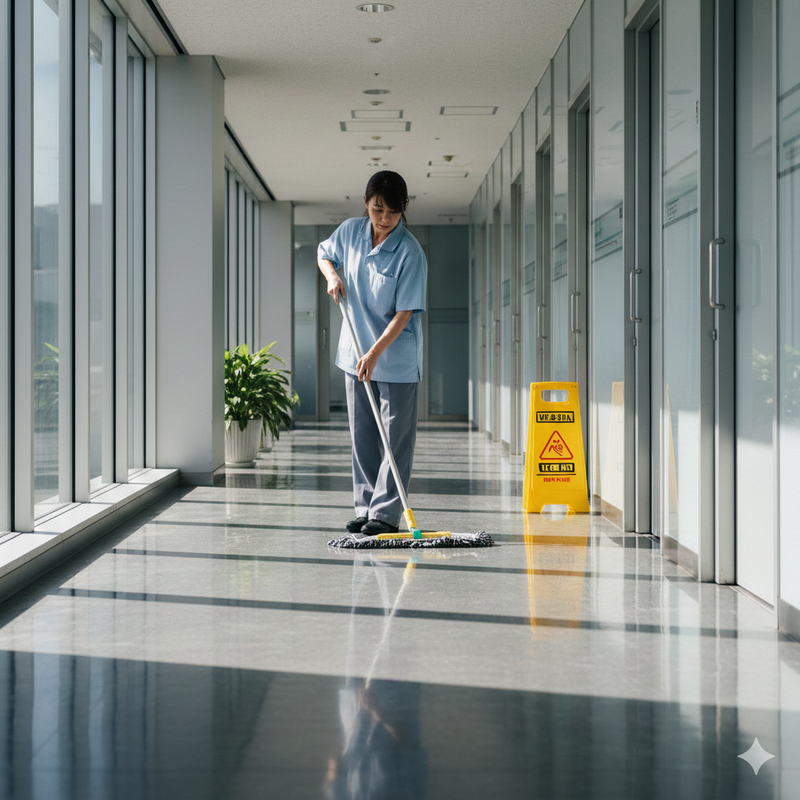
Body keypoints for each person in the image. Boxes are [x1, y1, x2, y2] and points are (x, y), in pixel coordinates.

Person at [317, 171, 427, 535]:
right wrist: (332, 275)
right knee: (363, 435)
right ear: (366, 202)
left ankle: (386, 514)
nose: (383, 219)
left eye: (393, 212)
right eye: (377, 209)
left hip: (393, 358)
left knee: (395, 440)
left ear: (404, 209)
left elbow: (404, 313)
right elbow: (324, 253)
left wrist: (376, 352)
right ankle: (366, 508)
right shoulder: (349, 231)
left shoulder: (410, 252)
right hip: (355, 354)